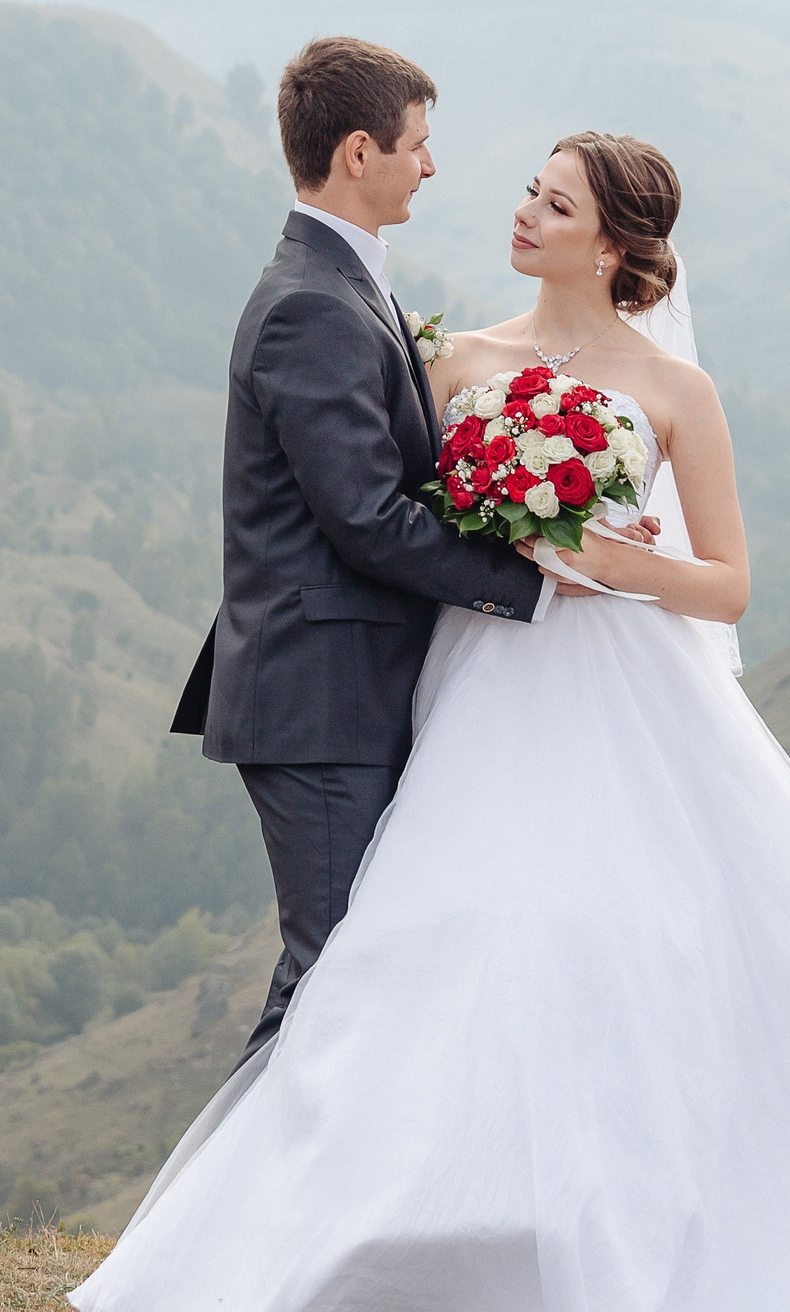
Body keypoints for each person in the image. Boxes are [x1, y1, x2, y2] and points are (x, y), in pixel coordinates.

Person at [80, 72, 790, 1312]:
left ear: (617, 242)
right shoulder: (455, 360)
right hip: (465, 684)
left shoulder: (674, 392)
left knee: (632, 947)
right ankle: (391, 1243)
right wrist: (521, 564)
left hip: (614, 680)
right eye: (522, 185)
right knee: (432, 951)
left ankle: (608, 1237)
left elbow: (727, 583)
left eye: (550, 200)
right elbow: (386, 511)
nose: (516, 205)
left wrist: (601, 562)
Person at [169, 36, 612, 1070]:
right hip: (318, 696)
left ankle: (266, 1220)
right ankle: (231, 1219)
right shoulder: (311, 308)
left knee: (352, 971)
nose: (431, 165)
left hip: (350, 686)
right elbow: (365, 517)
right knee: (333, 979)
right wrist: (533, 582)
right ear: (359, 152)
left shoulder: (339, 283)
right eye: (419, 144)